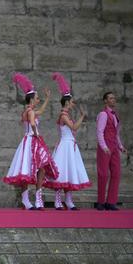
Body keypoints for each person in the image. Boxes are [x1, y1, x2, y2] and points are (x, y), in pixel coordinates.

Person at [3, 73, 59, 210]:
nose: (38, 100)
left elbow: (40, 111)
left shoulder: (28, 110)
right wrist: (36, 134)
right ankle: (33, 200)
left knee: (30, 170)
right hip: (32, 140)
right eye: (37, 98)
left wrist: (47, 99)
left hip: (28, 141)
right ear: (31, 100)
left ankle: (28, 199)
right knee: (39, 168)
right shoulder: (30, 112)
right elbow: (33, 123)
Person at [44, 73, 90, 210]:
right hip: (65, 146)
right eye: (71, 102)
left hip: (70, 145)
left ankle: (69, 201)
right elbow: (74, 127)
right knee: (62, 172)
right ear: (66, 103)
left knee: (69, 172)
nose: (73, 104)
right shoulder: (63, 115)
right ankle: (58, 201)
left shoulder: (66, 115)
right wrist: (82, 117)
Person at [96, 91, 126, 211]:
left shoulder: (115, 115)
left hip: (114, 147)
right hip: (105, 147)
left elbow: (116, 133)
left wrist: (120, 146)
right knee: (103, 174)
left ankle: (111, 202)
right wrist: (104, 147)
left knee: (116, 173)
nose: (113, 100)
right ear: (105, 101)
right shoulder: (103, 114)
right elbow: (99, 132)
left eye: (114, 98)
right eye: (111, 98)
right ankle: (101, 202)